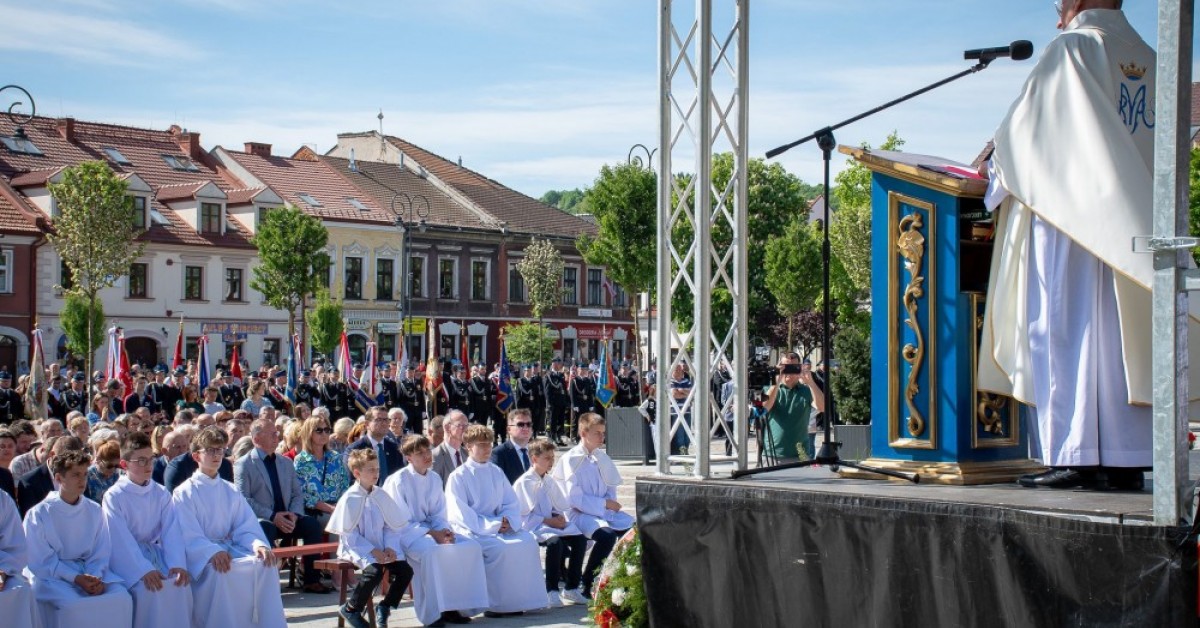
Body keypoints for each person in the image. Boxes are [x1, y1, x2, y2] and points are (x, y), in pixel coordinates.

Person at [978, 0, 1171, 490]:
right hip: (1131, 231)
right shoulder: (1151, 56)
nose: (1056, 11)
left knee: (1065, 329)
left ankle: (1076, 453)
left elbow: (1026, 139)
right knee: (1117, 341)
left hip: (1070, 225)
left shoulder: (1073, 49)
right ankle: (1124, 459)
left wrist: (993, 167)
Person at [173, 427, 285, 628]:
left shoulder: (230, 489)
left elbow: (245, 525)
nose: (217, 455)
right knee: (221, 573)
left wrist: (258, 544)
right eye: (210, 450)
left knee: (265, 565)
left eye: (220, 450)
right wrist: (211, 552)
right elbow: (188, 532)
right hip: (206, 557)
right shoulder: (184, 492)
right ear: (196, 455)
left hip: (231, 547)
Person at [383, 434, 486, 627]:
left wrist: (444, 531)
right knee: (432, 552)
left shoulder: (434, 478)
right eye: (419, 453)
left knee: (469, 546)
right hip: (407, 535)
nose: (426, 456)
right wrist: (432, 534)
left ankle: (454, 607)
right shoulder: (397, 481)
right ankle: (432, 614)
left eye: (428, 451)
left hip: (431, 531)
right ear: (408, 457)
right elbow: (400, 521)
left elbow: (439, 512)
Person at [23, 449, 134, 628]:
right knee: (73, 607)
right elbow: (41, 560)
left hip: (89, 571)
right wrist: (75, 578)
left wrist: (95, 577)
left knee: (121, 598)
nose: (82, 480)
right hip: (54, 576)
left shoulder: (94, 509)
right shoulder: (39, 514)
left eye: (84, 474)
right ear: (58, 478)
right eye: (75, 475)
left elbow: (101, 550)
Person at [445, 424, 546, 617]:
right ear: (468, 447)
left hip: (501, 525)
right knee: (500, 550)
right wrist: (493, 525)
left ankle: (517, 602)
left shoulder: (496, 471)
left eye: (489, 444)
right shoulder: (458, 476)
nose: (487, 449)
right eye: (481, 445)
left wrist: (507, 520)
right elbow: (460, 512)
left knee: (527, 542)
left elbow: (510, 501)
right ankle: (495, 606)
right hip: (474, 529)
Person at [102, 432, 193, 628]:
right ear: (124, 465)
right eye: (141, 461)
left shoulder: (160, 492)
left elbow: (171, 530)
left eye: (150, 459)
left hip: (157, 554)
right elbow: (119, 539)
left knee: (180, 586)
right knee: (149, 591)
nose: (149, 466)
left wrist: (177, 563)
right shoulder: (114, 496)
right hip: (129, 560)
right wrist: (142, 570)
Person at [233, 418, 332, 593]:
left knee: (311, 525)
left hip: (288, 517)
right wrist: (273, 516)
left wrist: (294, 514)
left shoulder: (285, 462)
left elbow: (297, 493)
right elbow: (244, 499)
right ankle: (269, 584)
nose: (276, 437)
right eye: (271, 434)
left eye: (276, 433)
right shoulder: (244, 465)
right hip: (264, 519)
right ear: (256, 439)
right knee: (266, 530)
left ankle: (311, 579)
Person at [327, 448, 415, 628]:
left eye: (377, 469)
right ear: (357, 473)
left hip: (381, 546)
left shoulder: (380, 494)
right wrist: (373, 550)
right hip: (356, 547)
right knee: (373, 572)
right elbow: (350, 534)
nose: (376, 473)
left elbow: (390, 526)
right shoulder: (350, 498)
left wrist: (390, 547)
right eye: (371, 470)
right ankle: (352, 608)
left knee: (405, 570)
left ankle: (386, 606)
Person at [552, 413, 634, 600]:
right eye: (597, 433)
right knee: (606, 536)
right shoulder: (571, 459)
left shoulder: (601, 458)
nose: (601, 437)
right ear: (583, 432)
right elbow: (574, 498)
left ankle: (619, 578)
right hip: (578, 513)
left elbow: (609, 487)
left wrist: (608, 506)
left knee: (633, 530)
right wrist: (604, 504)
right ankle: (588, 581)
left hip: (602, 511)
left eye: (603, 433)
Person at [514, 438, 587, 607]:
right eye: (547, 458)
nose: (551, 462)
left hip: (551, 524)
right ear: (534, 459)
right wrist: (549, 521)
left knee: (580, 539)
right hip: (533, 526)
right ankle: (551, 590)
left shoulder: (549, 480)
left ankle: (572, 587)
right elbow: (523, 515)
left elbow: (557, 504)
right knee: (555, 543)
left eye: (552, 458)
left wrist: (559, 517)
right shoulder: (524, 482)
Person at [762, 353, 825, 463]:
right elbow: (764, 408)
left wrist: (810, 382)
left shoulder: (806, 390)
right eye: (785, 367)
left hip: (801, 454)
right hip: (774, 454)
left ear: (799, 368)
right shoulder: (770, 388)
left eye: (793, 367)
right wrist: (776, 381)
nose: (788, 371)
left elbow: (823, 407)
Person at [293, 415, 352, 528]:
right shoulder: (301, 460)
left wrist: (339, 506)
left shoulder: (335, 457)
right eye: (319, 430)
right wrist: (329, 508)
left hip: (337, 506)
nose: (324, 434)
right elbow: (302, 493)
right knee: (338, 522)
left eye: (327, 430)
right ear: (309, 433)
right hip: (314, 510)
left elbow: (344, 485)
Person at [17, 436, 83, 517]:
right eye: (65, 461)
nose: (70, 466)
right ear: (52, 454)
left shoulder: (82, 477)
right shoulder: (29, 482)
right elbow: (30, 519)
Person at [0, 488, 35, 627]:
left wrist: (3, 571)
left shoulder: (3, 500)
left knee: (21, 590)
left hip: (2, 569)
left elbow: (15, 547)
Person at [347, 406, 405, 485]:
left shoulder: (394, 448)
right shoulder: (355, 449)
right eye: (378, 420)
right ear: (367, 424)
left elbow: (400, 477)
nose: (384, 423)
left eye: (386, 419)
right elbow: (351, 479)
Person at [490, 408, 535, 484]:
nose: (525, 428)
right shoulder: (499, 453)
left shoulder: (537, 451)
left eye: (529, 424)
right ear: (509, 429)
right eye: (520, 424)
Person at [431, 410, 469, 488]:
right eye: (460, 425)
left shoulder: (468, 454)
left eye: (467, 425)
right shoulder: (434, 456)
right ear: (447, 427)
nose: (465, 429)